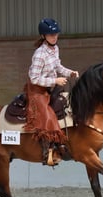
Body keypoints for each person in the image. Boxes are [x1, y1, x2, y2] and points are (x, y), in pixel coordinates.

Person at [24, 18, 79, 165]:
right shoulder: (39, 54)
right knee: (47, 115)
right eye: (50, 35)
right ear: (43, 36)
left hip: (50, 88)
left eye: (56, 34)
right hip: (37, 90)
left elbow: (58, 67)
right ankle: (48, 151)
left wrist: (69, 73)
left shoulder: (55, 48)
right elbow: (34, 78)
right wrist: (54, 81)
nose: (54, 37)